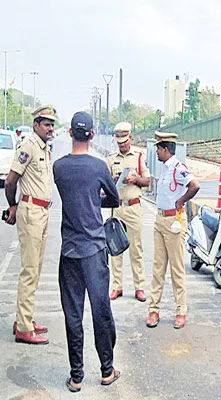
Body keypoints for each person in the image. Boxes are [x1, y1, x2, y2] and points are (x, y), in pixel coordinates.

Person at [53, 111, 121, 392]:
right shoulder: (100, 167)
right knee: (100, 310)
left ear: (70, 133)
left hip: (69, 251)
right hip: (94, 250)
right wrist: (97, 197)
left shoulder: (59, 167)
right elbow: (114, 199)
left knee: (73, 314)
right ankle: (107, 371)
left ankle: (76, 376)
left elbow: (72, 195)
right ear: (92, 136)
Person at [3, 105, 57, 345]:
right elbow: (10, 181)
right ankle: (24, 328)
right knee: (29, 270)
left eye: (52, 124)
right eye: (46, 124)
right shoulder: (28, 146)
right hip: (31, 211)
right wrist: (12, 206)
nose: (50, 128)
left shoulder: (44, 148)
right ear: (36, 125)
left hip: (42, 212)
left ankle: (24, 318)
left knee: (35, 268)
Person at [146, 132, 199, 329]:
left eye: (158, 149)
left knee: (177, 269)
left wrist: (181, 201)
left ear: (165, 149)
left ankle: (181, 311)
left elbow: (195, 185)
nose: (157, 153)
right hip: (160, 219)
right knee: (158, 267)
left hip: (173, 221)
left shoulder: (178, 168)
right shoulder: (165, 169)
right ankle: (154, 310)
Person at [106, 122, 151, 302]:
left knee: (136, 249)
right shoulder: (110, 159)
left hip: (133, 207)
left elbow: (148, 180)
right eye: (119, 142)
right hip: (117, 207)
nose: (122, 145)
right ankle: (117, 286)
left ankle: (139, 286)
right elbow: (105, 183)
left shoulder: (139, 157)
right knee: (115, 249)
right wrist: (113, 180)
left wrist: (135, 179)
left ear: (130, 138)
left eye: (124, 141)